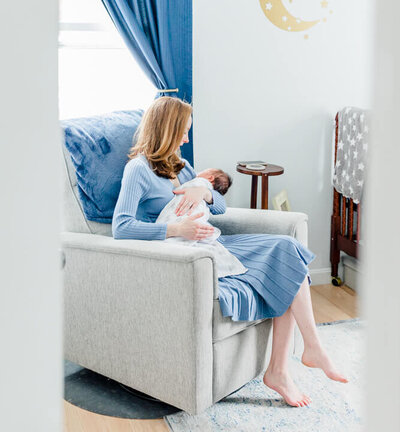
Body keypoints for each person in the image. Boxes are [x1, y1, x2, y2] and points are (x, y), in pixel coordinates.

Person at [112, 96, 348, 408]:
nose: (186, 138)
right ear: (166, 130)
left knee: (287, 249)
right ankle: (295, 360)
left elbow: (220, 207)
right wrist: (175, 229)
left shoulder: (182, 169)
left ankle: (286, 364)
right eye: (182, 131)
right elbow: (122, 227)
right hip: (182, 253)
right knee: (286, 261)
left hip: (212, 242)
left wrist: (205, 191)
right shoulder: (137, 170)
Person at [156, 167, 248, 278]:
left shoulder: (186, 170)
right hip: (170, 229)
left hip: (193, 225)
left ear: (210, 177)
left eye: (204, 171)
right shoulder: (141, 168)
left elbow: (221, 207)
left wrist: (205, 192)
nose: (198, 173)